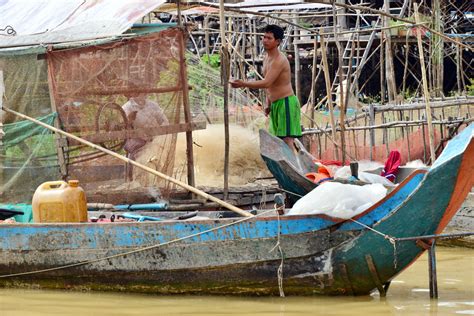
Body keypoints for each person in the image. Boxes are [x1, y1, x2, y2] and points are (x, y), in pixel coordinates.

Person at [230, 24, 302, 152]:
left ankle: (296, 169)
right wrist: (268, 104)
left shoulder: (279, 60)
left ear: (278, 42)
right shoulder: (267, 58)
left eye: (269, 38)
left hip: (286, 103)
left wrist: (243, 83)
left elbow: (267, 83)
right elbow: (271, 86)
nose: (265, 40)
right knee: (278, 140)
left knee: (287, 140)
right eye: (264, 37)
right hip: (275, 104)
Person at [122, 91, 169, 180]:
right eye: (139, 92)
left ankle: (160, 178)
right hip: (135, 140)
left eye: (144, 92)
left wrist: (159, 133)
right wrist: (130, 123)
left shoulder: (153, 105)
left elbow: (164, 121)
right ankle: (132, 179)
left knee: (160, 154)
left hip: (154, 138)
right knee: (134, 154)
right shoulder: (126, 108)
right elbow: (123, 127)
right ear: (133, 94)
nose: (143, 95)